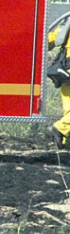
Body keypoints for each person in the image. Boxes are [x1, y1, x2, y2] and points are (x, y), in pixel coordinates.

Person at [47, 18, 70, 149]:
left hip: (65, 70)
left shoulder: (67, 22)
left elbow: (50, 40)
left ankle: (63, 139)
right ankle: (60, 129)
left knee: (69, 110)